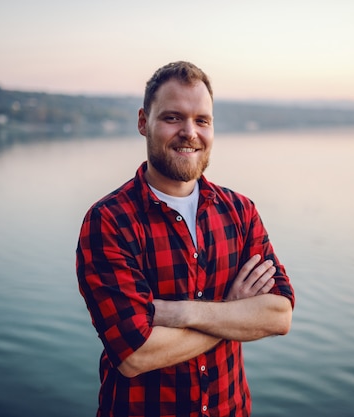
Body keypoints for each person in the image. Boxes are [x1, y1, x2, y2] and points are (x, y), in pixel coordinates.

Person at [76, 61, 295, 417]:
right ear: (143, 122)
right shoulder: (110, 222)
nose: (189, 132)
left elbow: (279, 315)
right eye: (173, 118)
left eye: (202, 120)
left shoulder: (240, 212)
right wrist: (233, 313)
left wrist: (178, 313)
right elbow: (135, 355)